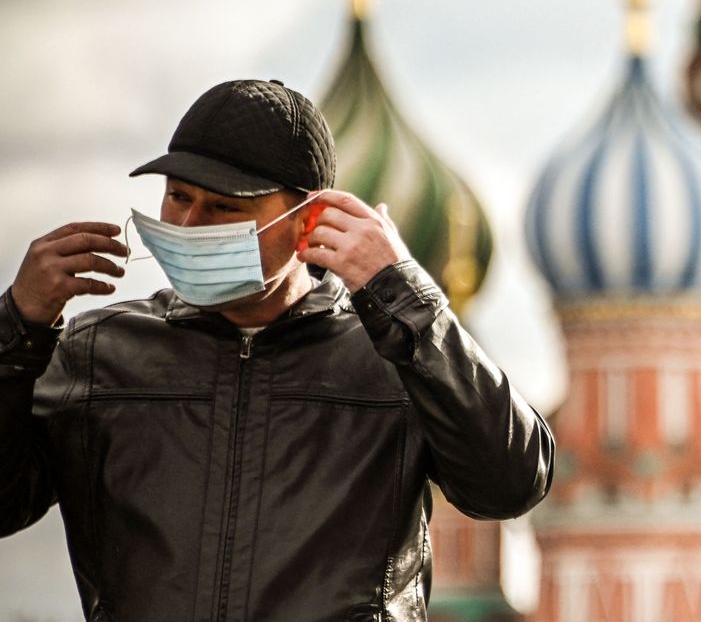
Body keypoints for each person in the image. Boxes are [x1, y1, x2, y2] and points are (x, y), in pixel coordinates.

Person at [0, 79, 554, 620]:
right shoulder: (100, 353)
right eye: (178, 197)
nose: (190, 225)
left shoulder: (393, 357)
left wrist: (405, 297)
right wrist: (16, 328)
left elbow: (510, 483)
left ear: (307, 221)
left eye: (223, 207)